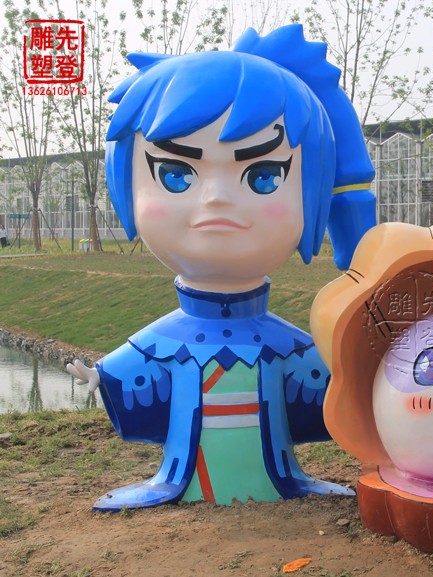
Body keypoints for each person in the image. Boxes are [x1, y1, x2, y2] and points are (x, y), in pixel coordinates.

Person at [66, 24, 375, 510]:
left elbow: (323, 377)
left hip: (274, 469)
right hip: (186, 468)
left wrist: (355, 367)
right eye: (175, 174)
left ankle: (276, 479)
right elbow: (140, 363)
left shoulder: (284, 342)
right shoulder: (170, 339)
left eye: (264, 175)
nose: (216, 199)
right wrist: (102, 377)